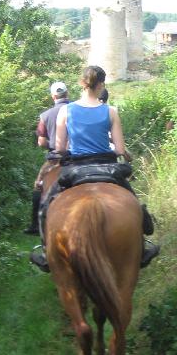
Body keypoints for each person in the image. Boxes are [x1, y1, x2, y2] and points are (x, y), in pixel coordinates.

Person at [29, 66, 159, 270]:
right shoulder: (111, 111)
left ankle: (47, 252)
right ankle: (141, 248)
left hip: (76, 168)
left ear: (81, 83)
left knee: (46, 207)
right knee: (132, 201)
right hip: (108, 167)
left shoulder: (65, 110)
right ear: (101, 85)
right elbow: (119, 149)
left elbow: (61, 148)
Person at [26, 81, 70, 234]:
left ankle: (35, 226)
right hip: (77, 157)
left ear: (53, 97)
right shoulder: (77, 110)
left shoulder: (45, 116)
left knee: (38, 185)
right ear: (67, 94)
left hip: (55, 159)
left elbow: (42, 142)